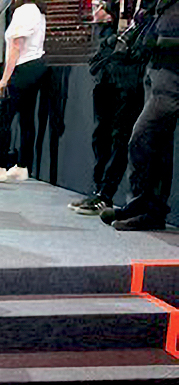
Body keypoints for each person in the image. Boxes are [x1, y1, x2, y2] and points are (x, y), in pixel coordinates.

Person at [100, 0, 179, 230]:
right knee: (159, 145)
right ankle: (143, 207)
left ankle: (147, 208)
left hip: (172, 70)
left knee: (142, 138)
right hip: (156, 63)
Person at [68, 0, 145, 216]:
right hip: (109, 67)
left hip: (132, 70)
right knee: (100, 134)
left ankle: (105, 194)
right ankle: (98, 190)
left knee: (120, 135)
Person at [0, 0, 46, 182]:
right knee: (27, 119)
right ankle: (22, 165)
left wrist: (4, 79)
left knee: (4, 118)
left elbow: (16, 47)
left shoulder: (23, 11)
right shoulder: (38, 12)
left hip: (22, 68)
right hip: (36, 66)